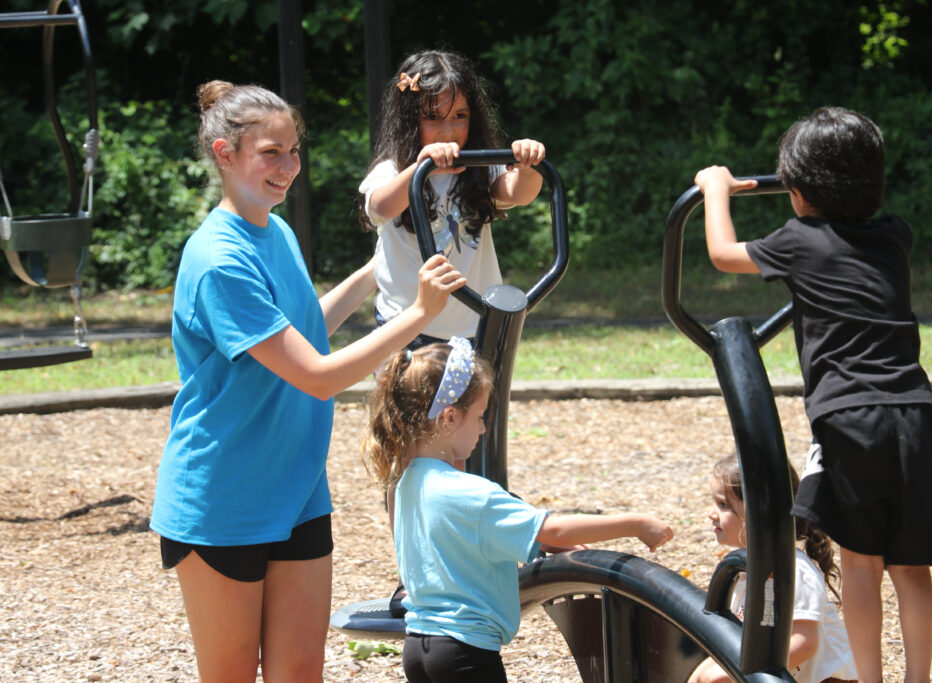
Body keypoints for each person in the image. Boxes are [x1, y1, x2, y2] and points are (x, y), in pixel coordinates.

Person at [149, 80, 466, 682]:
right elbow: (317, 377)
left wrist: (381, 267)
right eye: (271, 153)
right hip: (224, 499)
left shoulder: (275, 230)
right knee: (232, 674)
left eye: (294, 151)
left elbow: (301, 334)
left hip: (295, 490)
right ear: (224, 153)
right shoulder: (220, 258)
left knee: (300, 672)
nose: (287, 167)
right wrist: (419, 315)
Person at [693, 105, 932, 683]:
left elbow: (722, 254)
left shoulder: (799, 240)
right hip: (914, 414)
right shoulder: (895, 238)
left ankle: (872, 681)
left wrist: (715, 188)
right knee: (912, 569)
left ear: (797, 189)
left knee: (862, 564)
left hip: (848, 418)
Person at [361, 337, 675, 682]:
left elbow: (463, 542)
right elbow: (553, 529)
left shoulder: (406, 485)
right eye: (479, 417)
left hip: (418, 646)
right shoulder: (471, 493)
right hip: (465, 653)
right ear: (449, 418)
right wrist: (636, 523)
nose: (482, 429)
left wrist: (537, 542)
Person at [358, 48, 547, 349]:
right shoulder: (394, 168)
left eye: (459, 116)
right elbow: (380, 207)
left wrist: (528, 165)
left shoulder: (479, 168)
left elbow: (517, 193)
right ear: (409, 121)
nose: (448, 131)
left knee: (477, 398)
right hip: (404, 327)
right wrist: (421, 169)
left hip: (474, 325)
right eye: (433, 117)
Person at [688, 457, 857, 683]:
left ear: (760, 512)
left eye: (724, 505)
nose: (712, 513)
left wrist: (737, 671)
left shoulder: (793, 571)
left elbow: (804, 643)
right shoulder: (746, 568)